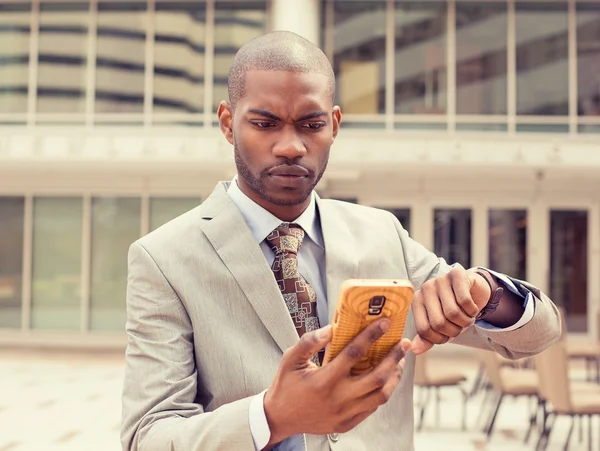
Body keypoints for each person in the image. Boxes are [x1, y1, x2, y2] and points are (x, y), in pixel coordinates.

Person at [121, 31, 561, 451]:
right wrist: (271, 416)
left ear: (333, 125)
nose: (290, 146)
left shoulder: (382, 235)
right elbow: (149, 437)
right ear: (228, 123)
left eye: (310, 124)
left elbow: (540, 334)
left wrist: (486, 295)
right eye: (265, 123)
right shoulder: (164, 258)